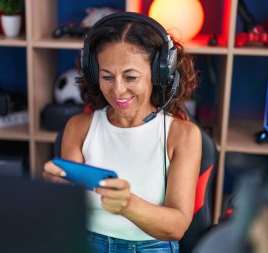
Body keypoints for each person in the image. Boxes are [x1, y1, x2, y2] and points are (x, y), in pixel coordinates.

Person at [43, 12, 202, 253]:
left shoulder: (183, 135)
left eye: (131, 77)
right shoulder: (78, 127)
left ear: (160, 74)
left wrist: (127, 204)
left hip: (152, 247)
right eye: (107, 76)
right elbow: (69, 210)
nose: (118, 90)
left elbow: (176, 227)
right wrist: (56, 188)